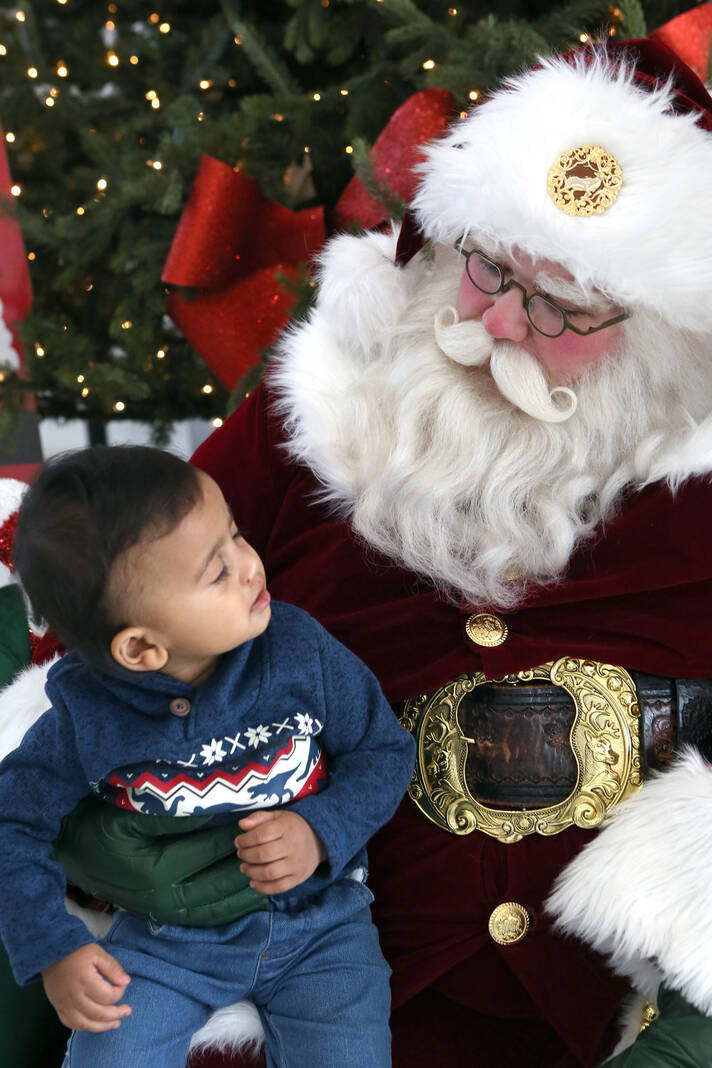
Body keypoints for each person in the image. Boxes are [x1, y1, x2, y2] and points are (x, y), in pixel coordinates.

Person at [3, 32, 712, 1068]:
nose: (501, 324)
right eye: (487, 268)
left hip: (591, 1023)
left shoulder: (694, 502)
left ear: (662, 335)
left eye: (563, 307)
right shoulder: (313, 416)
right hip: (277, 1004)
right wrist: (98, 832)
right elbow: (110, 600)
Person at [0, 444, 415, 1068]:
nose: (249, 566)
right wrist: (53, 948)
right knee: (111, 1055)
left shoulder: (298, 651)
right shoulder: (88, 716)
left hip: (322, 927)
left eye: (237, 535)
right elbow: (11, 821)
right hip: (165, 945)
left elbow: (383, 749)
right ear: (141, 648)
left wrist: (319, 831)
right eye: (217, 572)